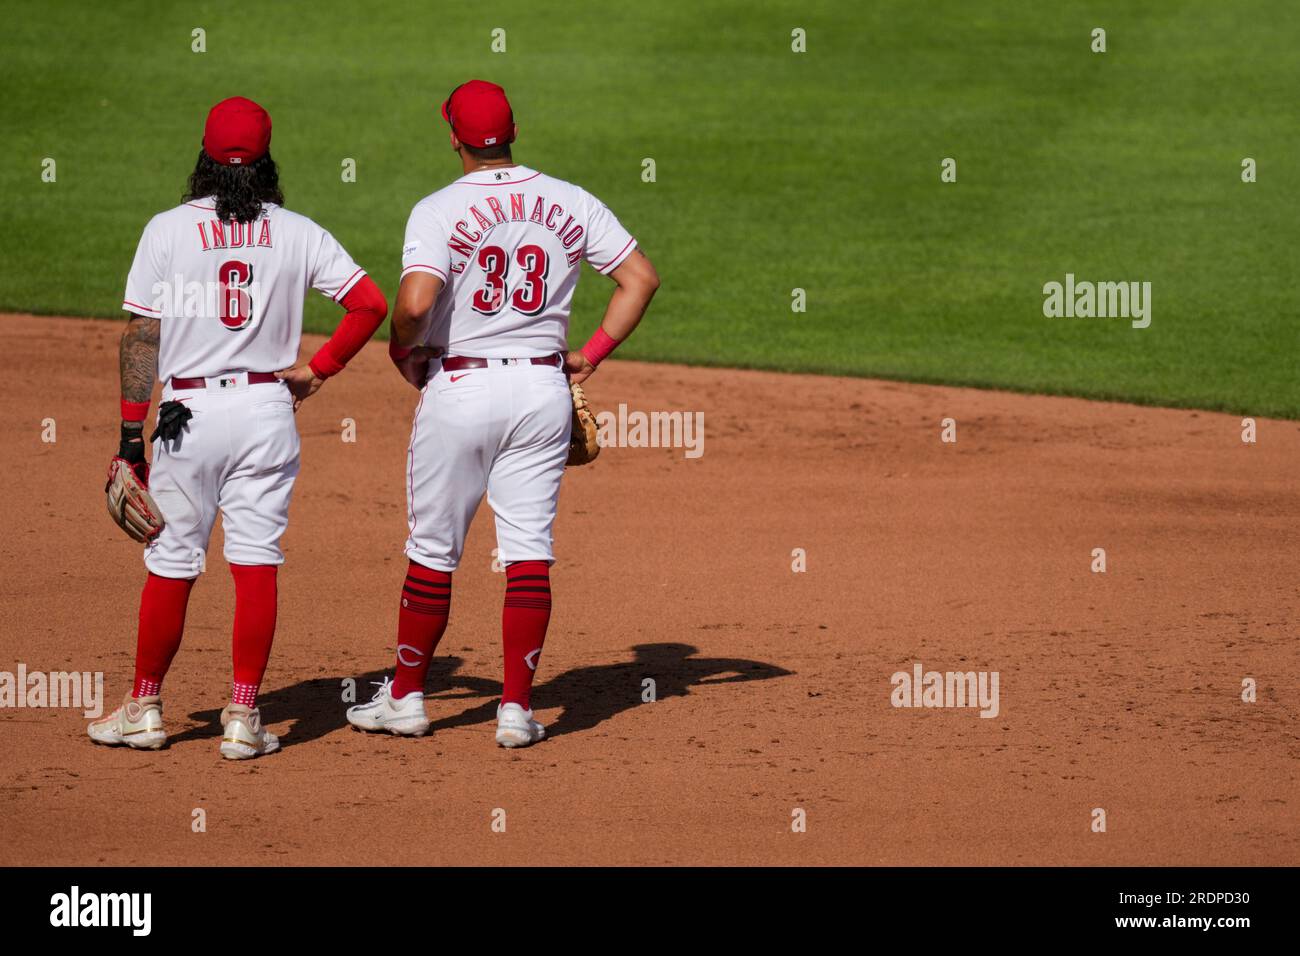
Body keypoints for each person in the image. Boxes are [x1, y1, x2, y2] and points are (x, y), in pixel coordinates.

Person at [346, 80, 659, 747]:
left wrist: (404, 349)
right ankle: (516, 710)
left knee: (433, 551)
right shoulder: (570, 199)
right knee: (528, 552)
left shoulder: (437, 209)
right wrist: (591, 354)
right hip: (542, 392)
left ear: (452, 134)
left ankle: (405, 698)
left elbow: (413, 301)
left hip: (460, 390)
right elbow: (640, 278)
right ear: (513, 132)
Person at [90, 96, 388, 759]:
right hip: (265, 411)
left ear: (203, 155)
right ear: (266, 161)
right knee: (257, 564)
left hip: (184, 416)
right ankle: (243, 718)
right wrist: (318, 371)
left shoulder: (166, 229)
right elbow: (370, 304)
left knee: (171, 564)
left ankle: (143, 709)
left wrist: (129, 439)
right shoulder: (297, 230)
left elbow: (143, 338)